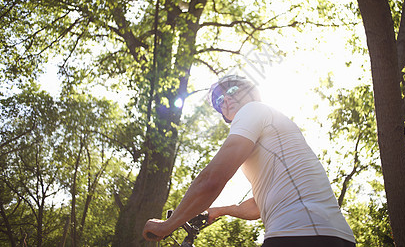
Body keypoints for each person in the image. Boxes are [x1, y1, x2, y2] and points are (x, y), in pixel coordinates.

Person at [143, 75, 356, 246]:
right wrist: (220, 210)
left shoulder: (253, 110)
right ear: (224, 115)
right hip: (332, 235)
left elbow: (212, 179)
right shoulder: (266, 137)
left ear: (251, 93)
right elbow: (257, 206)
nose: (225, 99)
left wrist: (167, 225)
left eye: (232, 90)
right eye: (219, 101)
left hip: (302, 232)